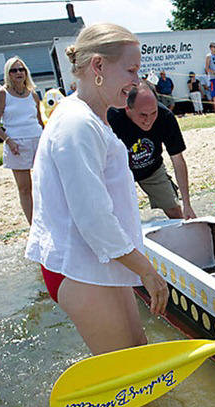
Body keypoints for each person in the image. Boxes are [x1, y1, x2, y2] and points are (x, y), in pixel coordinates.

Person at [25, 23, 168, 358]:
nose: (136, 80)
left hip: (101, 260)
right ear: (98, 66)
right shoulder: (76, 124)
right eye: (131, 70)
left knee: (137, 358)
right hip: (77, 264)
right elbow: (93, 217)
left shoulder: (93, 117)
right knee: (122, 377)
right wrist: (146, 270)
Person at [108, 80, 196, 220]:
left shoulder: (165, 117)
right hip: (119, 172)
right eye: (143, 115)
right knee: (120, 217)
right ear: (127, 108)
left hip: (152, 169)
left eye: (153, 113)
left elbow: (178, 160)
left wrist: (187, 203)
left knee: (175, 211)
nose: (149, 120)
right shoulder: (111, 117)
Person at [0, 56, 43, 225]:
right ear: (8, 74)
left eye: (21, 69)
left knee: (45, 183)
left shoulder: (32, 94)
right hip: (17, 144)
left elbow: (40, 120)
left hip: (37, 140)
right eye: (14, 70)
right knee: (25, 188)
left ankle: (48, 220)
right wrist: (9, 141)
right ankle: (33, 225)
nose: (18, 73)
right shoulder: (2, 94)